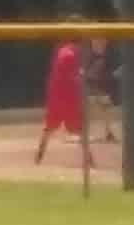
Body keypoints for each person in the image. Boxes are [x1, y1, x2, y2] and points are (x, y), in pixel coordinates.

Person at [34, 38, 92, 166]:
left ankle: (39, 156)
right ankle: (89, 159)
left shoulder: (63, 51)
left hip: (56, 97)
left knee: (49, 128)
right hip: (67, 97)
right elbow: (75, 78)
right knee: (80, 129)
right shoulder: (71, 55)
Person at [85, 37, 119, 145]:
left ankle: (108, 132)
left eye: (103, 43)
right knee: (88, 108)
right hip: (91, 85)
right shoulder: (89, 57)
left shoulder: (106, 57)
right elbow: (87, 72)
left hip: (100, 85)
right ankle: (84, 132)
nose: (101, 45)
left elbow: (108, 73)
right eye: (97, 42)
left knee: (106, 108)